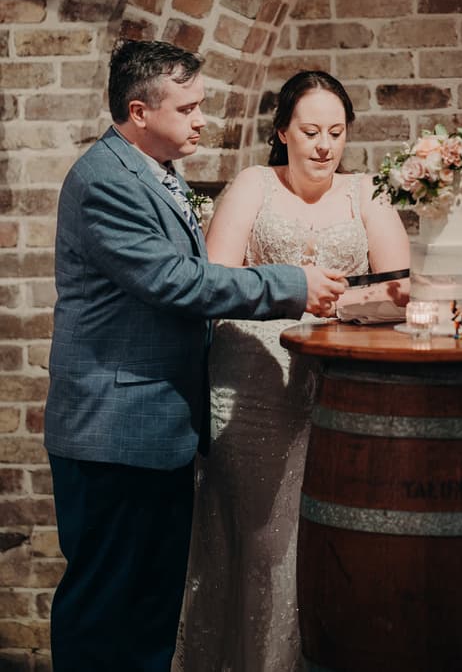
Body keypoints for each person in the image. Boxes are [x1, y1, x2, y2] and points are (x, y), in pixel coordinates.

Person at [43, 40, 347, 672]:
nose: (203, 119)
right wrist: (290, 284)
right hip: (113, 431)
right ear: (139, 111)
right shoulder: (104, 181)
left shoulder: (154, 171)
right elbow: (177, 283)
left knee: (151, 611)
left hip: (156, 428)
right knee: (105, 611)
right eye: (188, 108)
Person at [178, 70, 410, 672]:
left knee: (331, 538)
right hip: (251, 377)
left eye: (336, 132)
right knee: (262, 538)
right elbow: (216, 279)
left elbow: (397, 290)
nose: (324, 145)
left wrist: (349, 306)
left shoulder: (367, 194)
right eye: (310, 130)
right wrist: (290, 293)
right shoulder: (255, 184)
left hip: (336, 381)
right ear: (283, 131)